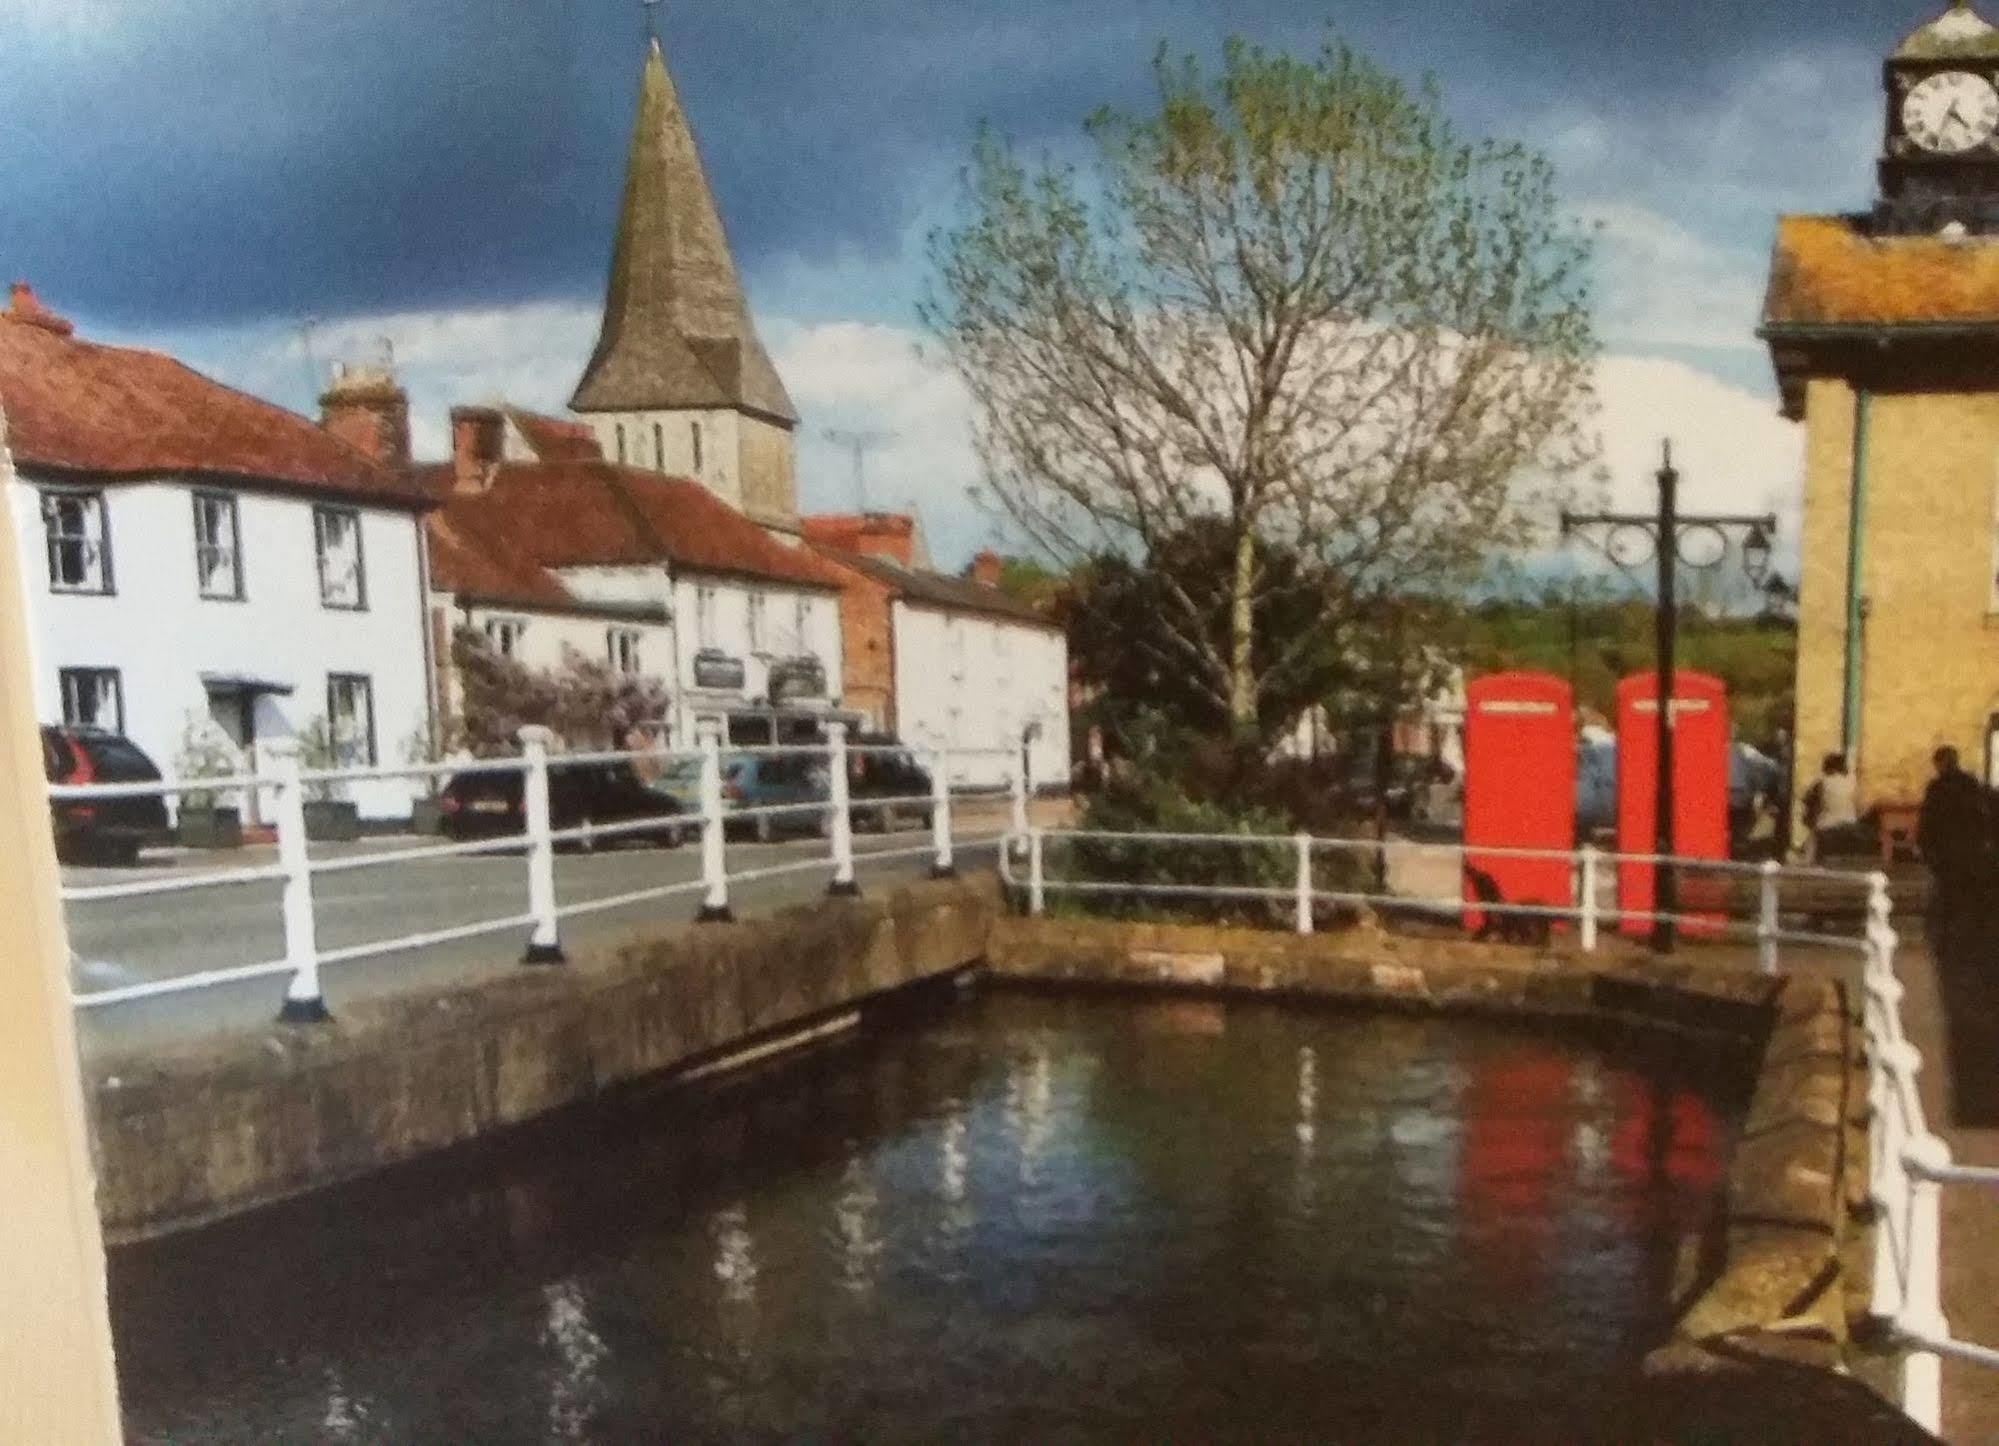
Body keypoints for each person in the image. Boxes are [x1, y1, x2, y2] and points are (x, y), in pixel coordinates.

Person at [1918, 745, 1994, 951]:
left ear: (1940, 764)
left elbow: (1928, 821)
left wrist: (1925, 849)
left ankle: (1949, 934)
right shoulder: (1971, 784)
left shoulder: (1936, 788)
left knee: (1947, 895)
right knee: (1968, 894)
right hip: (1970, 850)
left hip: (1945, 852)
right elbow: (1983, 816)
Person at [1801, 752, 1860, 861]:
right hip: (1851, 826)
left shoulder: (1822, 783)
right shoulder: (1853, 783)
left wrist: (1809, 820)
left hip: (1827, 828)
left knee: (1811, 844)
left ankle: (1809, 864)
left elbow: (1808, 802)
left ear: (1827, 767)